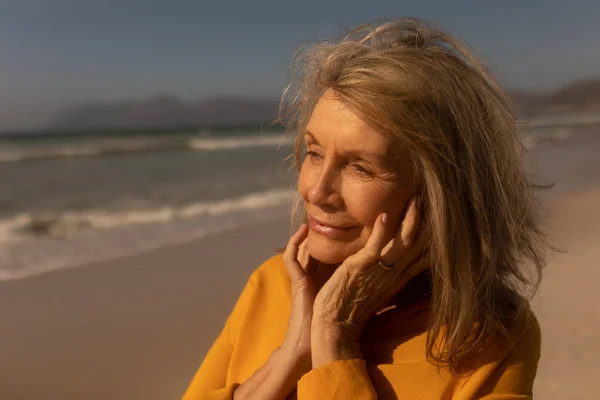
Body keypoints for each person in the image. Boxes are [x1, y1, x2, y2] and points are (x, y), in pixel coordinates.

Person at [182, 18, 547, 399]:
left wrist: (335, 337)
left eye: (361, 167)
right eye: (315, 153)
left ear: (443, 193)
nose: (317, 191)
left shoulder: (491, 339)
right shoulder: (273, 283)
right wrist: (290, 355)